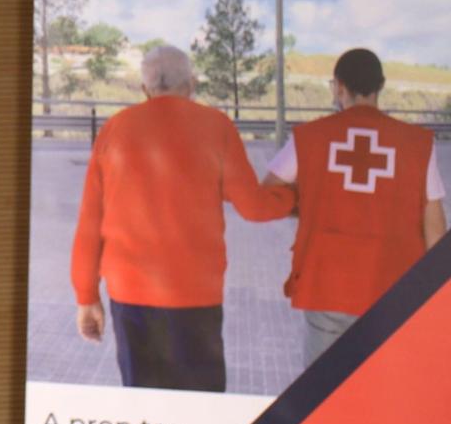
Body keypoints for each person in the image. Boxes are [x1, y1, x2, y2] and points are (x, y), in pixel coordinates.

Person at [69, 44, 293, 391]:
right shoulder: (217, 127)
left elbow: (89, 223)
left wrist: (86, 296)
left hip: (130, 296)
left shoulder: (114, 130)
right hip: (196, 298)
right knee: (200, 407)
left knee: (144, 409)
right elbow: (254, 207)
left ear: (145, 91)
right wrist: (292, 198)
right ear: (192, 84)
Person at [264, 47, 447, 364]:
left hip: (327, 288)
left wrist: (309, 205)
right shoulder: (418, 144)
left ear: (338, 87)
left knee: (321, 395)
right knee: (384, 392)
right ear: (381, 86)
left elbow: (269, 193)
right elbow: (436, 231)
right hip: (395, 294)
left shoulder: (310, 137)